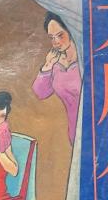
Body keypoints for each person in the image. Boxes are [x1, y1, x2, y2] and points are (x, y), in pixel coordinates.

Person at [32, 12, 82, 145]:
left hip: (95, 126)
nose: (56, 42)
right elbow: (41, 93)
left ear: (71, 31)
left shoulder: (85, 61)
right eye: (52, 37)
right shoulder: (56, 63)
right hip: (74, 132)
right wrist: (48, 65)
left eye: (60, 35)